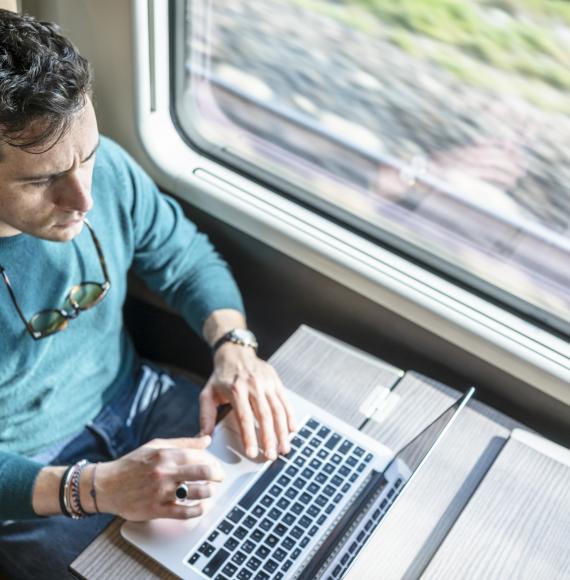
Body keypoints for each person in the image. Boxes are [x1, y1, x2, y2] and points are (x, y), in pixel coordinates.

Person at [0, 9, 295, 579]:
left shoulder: (103, 171)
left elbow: (183, 257)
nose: (83, 198)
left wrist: (235, 345)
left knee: (283, 486)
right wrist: (98, 487)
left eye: (86, 156)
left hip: (138, 398)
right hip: (28, 474)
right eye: (42, 181)